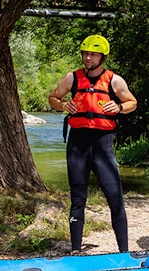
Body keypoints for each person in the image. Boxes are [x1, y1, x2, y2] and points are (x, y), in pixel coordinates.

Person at [47, 35, 138, 253]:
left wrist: (118, 108)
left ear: (102, 57)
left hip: (102, 144)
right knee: (78, 197)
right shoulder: (72, 78)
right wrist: (63, 105)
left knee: (114, 195)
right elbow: (53, 97)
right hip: (77, 143)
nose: (88, 58)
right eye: (85, 54)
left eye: (93, 54)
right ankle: (76, 249)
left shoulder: (114, 80)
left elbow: (132, 102)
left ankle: (124, 251)